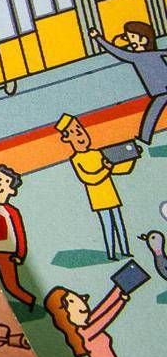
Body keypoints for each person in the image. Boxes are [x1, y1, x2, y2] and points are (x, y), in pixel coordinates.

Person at [56, 112, 134, 261]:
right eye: (74, 132)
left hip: (112, 196)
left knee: (119, 224)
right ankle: (111, 254)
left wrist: (132, 156)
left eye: (79, 130)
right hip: (99, 200)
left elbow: (119, 169)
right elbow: (90, 178)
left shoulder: (97, 153)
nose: (80, 135)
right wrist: (106, 168)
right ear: (67, 138)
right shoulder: (76, 159)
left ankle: (125, 250)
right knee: (108, 226)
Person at [89, 21, 167, 147]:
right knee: (152, 114)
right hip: (160, 92)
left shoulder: (138, 56)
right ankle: (144, 138)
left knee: (151, 115)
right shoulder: (140, 56)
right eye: (128, 37)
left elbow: (117, 52)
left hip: (161, 92)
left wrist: (98, 38)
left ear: (143, 40)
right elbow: (117, 51)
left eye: (132, 37)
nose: (130, 41)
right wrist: (99, 38)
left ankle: (144, 138)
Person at [0, 164, 34, 308]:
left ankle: (30, 302)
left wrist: (20, 255)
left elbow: (19, 235)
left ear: (11, 190)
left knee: (11, 286)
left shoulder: (11, 211)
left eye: (4, 181)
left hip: (6, 254)